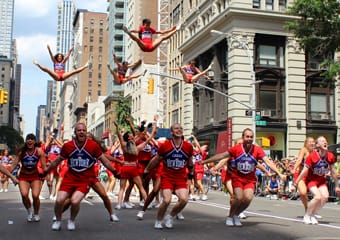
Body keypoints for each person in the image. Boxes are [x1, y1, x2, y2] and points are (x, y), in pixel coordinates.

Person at [201, 128, 285, 227]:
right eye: (247, 137)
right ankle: (230, 216)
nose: (249, 139)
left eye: (251, 137)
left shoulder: (257, 150)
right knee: (238, 197)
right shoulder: (236, 149)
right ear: (243, 137)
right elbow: (222, 157)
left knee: (248, 198)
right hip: (237, 177)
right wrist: (205, 162)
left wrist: (278, 174)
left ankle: (236, 214)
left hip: (250, 179)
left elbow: (267, 162)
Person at [42, 122, 119, 231]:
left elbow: (106, 159)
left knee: (101, 196)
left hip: (89, 177)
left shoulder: (93, 146)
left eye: (84, 131)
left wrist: (115, 170)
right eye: (79, 130)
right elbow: (57, 161)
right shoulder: (68, 146)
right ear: (75, 133)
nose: (82, 133)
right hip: (71, 178)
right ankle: (58, 218)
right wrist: (46, 171)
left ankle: (111, 213)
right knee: (61, 200)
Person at [144, 123, 194, 229]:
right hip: (167, 177)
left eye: (181, 128)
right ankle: (158, 220)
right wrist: (147, 169)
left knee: (184, 200)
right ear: (171, 132)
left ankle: (170, 216)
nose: (179, 130)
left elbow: (190, 162)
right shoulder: (165, 146)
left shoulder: (188, 146)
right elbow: (156, 160)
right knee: (166, 200)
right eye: (176, 128)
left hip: (180, 178)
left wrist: (191, 174)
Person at [294, 136, 340, 225]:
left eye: (326, 141)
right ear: (318, 145)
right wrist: (297, 180)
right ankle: (307, 216)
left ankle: (312, 214)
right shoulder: (312, 156)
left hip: (321, 180)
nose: (325, 142)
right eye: (322, 141)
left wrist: (337, 185)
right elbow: (304, 170)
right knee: (317, 197)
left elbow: (333, 172)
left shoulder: (330, 156)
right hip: (311, 180)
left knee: (325, 196)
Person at [113, 120, 157, 210]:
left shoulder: (124, 146)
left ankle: (118, 204)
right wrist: (152, 131)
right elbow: (147, 138)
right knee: (141, 187)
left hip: (125, 167)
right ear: (130, 139)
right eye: (131, 137)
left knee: (121, 188)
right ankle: (147, 203)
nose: (133, 137)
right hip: (133, 167)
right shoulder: (136, 148)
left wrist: (117, 128)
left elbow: (120, 136)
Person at [10, 134, 47, 222]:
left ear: (35, 142)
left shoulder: (39, 151)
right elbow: (13, 165)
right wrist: (9, 174)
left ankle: (36, 213)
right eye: (28, 139)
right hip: (23, 176)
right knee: (24, 195)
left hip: (35, 176)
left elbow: (44, 166)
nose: (29, 141)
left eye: (32, 139)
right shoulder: (21, 152)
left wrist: (47, 174)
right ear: (26, 141)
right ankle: (29, 211)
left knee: (35, 195)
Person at [292, 137, 315, 213]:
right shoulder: (303, 150)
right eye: (310, 142)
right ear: (306, 143)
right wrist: (294, 169)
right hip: (300, 174)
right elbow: (299, 160)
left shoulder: (315, 152)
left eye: (313, 142)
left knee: (317, 194)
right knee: (303, 193)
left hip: (310, 175)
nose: (312, 143)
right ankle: (307, 208)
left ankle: (313, 210)